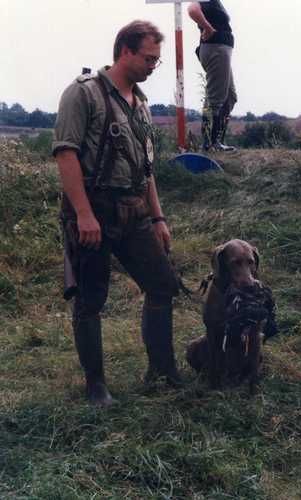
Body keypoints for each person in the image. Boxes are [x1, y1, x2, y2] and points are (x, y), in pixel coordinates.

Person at [52, 20, 182, 407]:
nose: (152, 67)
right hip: (93, 212)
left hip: (134, 211)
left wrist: (157, 218)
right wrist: (84, 214)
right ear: (125, 50)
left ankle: (162, 370)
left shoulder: (140, 104)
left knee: (162, 285)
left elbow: (147, 170)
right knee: (91, 299)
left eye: (157, 61)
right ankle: (96, 387)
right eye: (148, 58)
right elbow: (65, 153)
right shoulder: (84, 94)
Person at [188, 1, 238, 151]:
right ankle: (210, 143)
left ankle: (216, 140)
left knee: (230, 96)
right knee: (215, 99)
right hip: (216, 49)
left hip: (221, 50)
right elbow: (192, 9)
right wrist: (208, 28)